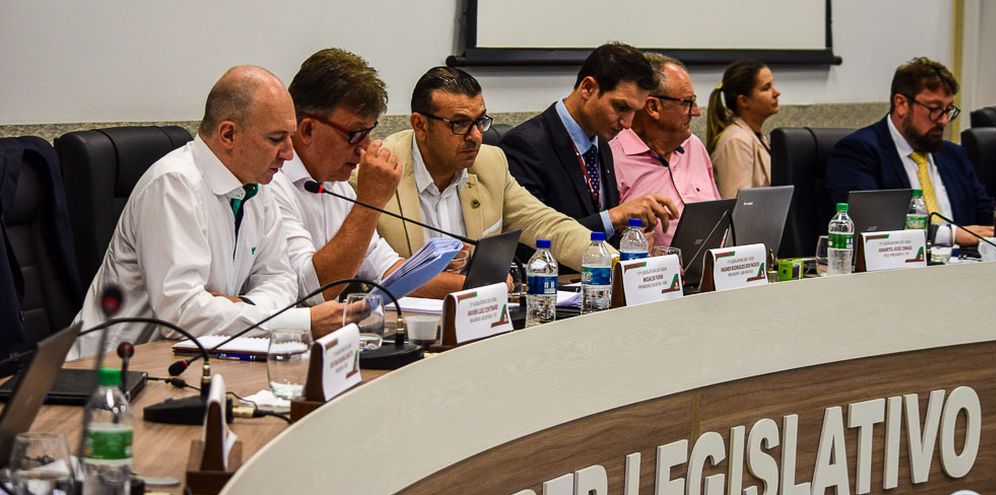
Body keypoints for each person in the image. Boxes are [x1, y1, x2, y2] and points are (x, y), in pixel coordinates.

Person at [74, 66, 346, 356]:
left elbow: (281, 280)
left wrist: (242, 305)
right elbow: (182, 314)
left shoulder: (256, 185)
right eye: (276, 138)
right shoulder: (173, 184)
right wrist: (296, 322)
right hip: (109, 367)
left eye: (290, 137)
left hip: (189, 356)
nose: (289, 153)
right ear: (228, 134)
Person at [350, 66, 601, 272]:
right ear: (420, 125)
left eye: (480, 121)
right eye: (459, 124)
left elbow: (548, 225)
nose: (476, 137)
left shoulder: (490, 163)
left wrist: (612, 264)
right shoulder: (372, 174)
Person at [269, 48, 461, 303]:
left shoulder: (337, 186)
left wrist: (476, 285)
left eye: (369, 132)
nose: (365, 148)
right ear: (307, 130)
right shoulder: (270, 185)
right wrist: (370, 202)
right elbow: (313, 290)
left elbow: (390, 273)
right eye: (355, 134)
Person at [499, 42, 679, 250]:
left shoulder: (601, 143)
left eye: (634, 112)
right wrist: (613, 217)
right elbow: (530, 241)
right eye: (621, 107)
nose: (627, 123)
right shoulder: (525, 145)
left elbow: (598, 225)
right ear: (588, 88)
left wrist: (629, 243)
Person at [825, 57, 994, 245]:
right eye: (935, 109)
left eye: (948, 110)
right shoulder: (859, 152)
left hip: (967, 260)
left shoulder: (954, 155)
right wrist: (950, 235)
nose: (944, 120)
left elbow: (987, 214)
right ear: (901, 104)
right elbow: (871, 223)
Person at [610, 54, 720, 248]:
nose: (696, 112)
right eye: (687, 103)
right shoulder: (611, 157)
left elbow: (721, 220)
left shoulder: (694, 146)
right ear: (653, 107)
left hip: (712, 265)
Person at [706, 59, 781, 199]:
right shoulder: (736, 141)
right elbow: (737, 203)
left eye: (773, 85)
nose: (777, 92)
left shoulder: (755, 135)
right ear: (744, 101)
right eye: (766, 88)